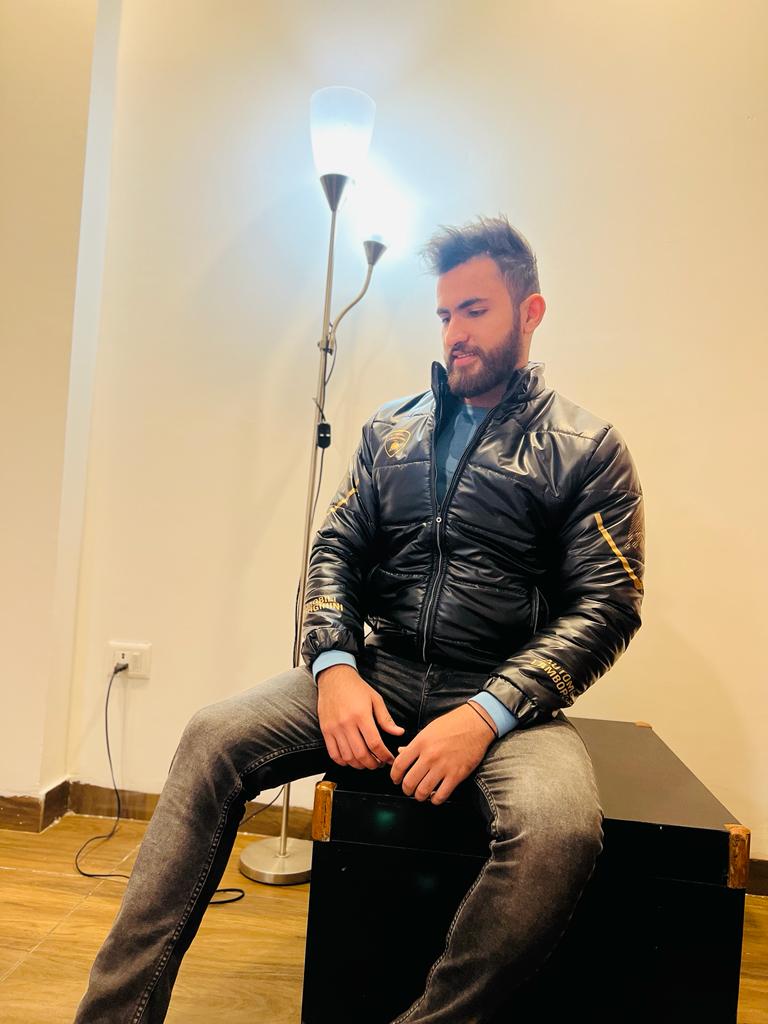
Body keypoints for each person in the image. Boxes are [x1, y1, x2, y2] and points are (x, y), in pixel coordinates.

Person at [74, 216, 645, 1024]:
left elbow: (608, 605)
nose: (455, 333)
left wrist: (487, 713)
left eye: (475, 310)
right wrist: (334, 667)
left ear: (531, 312)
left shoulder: (588, 449)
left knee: (559, 832)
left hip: (507, 701)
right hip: (380, 671)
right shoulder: (390, 431)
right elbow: (333, 551)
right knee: (210, 737)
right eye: (444, 314)